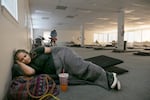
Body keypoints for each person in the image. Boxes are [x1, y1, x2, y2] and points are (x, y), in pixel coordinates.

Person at [13, 46, 121, 90]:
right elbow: (30, 72)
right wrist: (18, 62)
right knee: (78, 75)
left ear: (28, 53)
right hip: (60, 68)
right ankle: (105, 78)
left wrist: (65, 52)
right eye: (22, 60)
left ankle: (108, 76)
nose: (25, 59)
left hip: (61, 55)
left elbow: (51, 49)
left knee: (80, 67)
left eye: (25, 56)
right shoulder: (30, 67)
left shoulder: (36, 51)